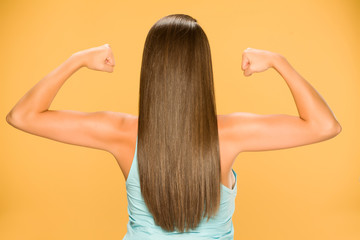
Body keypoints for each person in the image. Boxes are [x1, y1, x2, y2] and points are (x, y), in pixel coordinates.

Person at [6, 13, 341, 239]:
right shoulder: (230, 134)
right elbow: (325, 126)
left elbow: (22, 116)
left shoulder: (120, 132)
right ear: (202, 71)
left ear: (150, 70)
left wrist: (77, 59)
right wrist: (278, 62)